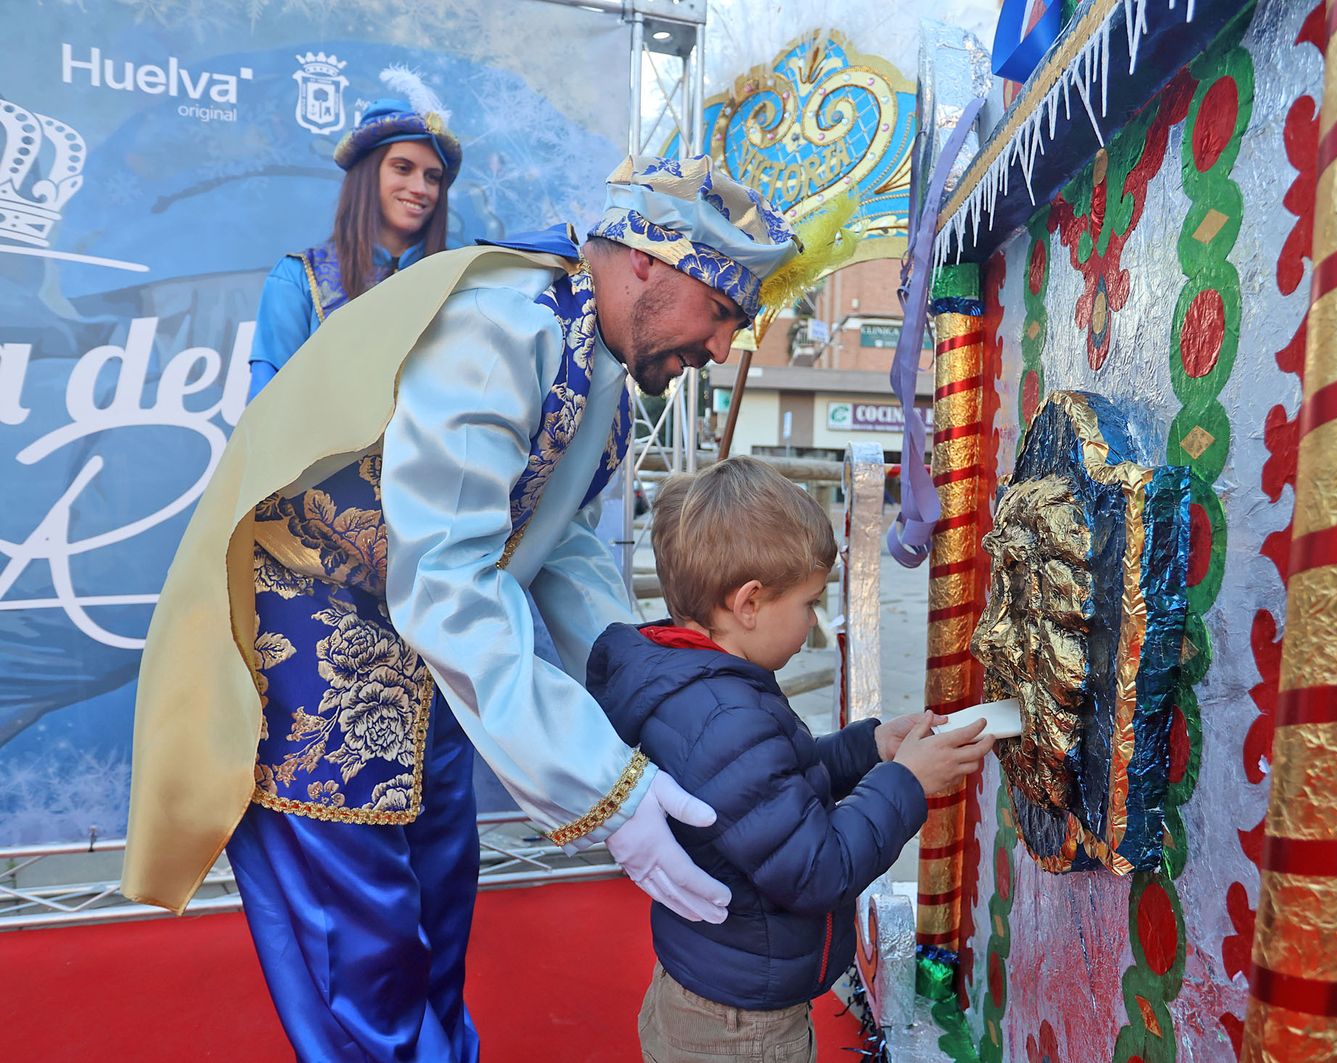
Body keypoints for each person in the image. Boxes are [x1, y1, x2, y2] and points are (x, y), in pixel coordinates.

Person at [122, 155, 829, 1061]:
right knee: (367, 966)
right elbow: (450, 578)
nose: (723, 349)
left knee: (438, 921)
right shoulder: (506, 327)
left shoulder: (600, 365)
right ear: (648, 263)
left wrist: (648, 685)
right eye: (723, 312)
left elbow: (553, 542)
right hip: (321, 646)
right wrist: (605, 790)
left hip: (433, 656)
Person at [587, 457, 995, 1063]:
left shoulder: (707, 685)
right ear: (748, 603)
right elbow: (814, 868)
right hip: (741, 1026)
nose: (811, 625)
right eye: (808, 603)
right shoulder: (725, 715)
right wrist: (907, 781)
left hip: (720, 987)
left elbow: (776, 788)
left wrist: (870, 746)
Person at [248, 68, 460, 400]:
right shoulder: (298, 280)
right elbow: (265, 411)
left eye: (433, 177)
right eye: (403, 168)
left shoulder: (463, 280)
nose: (420, 188)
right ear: (366, 175)